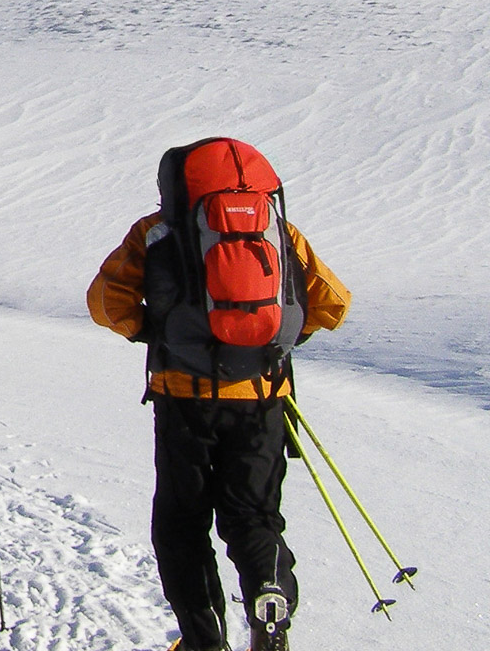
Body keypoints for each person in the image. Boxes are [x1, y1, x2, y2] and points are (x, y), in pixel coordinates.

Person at [87, 137, 351, 651]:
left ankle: (204, 640)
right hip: (262, 400)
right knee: (253, 517)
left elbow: (105, 301)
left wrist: (149, 331)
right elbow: (333, 303)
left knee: (181, 524)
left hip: (183, 399)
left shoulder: (156, 230)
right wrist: (276, 341)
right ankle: (269, 598)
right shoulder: (278, 230)